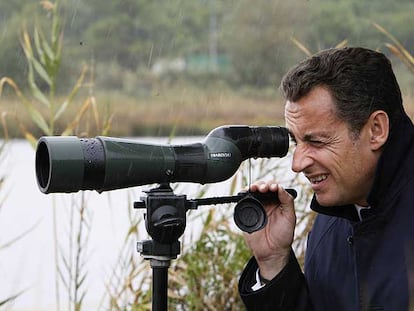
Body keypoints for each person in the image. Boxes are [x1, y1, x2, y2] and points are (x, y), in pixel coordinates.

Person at [238, 47, 414, 310]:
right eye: (296, 141)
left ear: (376, 130)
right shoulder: (328, 225)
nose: (298, 164)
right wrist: (274, 264)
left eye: (316, 141)